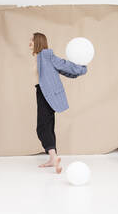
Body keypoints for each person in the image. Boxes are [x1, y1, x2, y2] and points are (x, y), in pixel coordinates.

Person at [29, 32, 87, 174]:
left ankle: (54, 157)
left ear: (38, 41)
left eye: (31, 40)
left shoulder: (46, 55)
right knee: (48, 126)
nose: (29, 42)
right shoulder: (38, 57)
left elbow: (63, 65)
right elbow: (59, 70)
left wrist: (81, 68)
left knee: (42, 127)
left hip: (46, 94)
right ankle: (52, 158)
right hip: (41, 92)